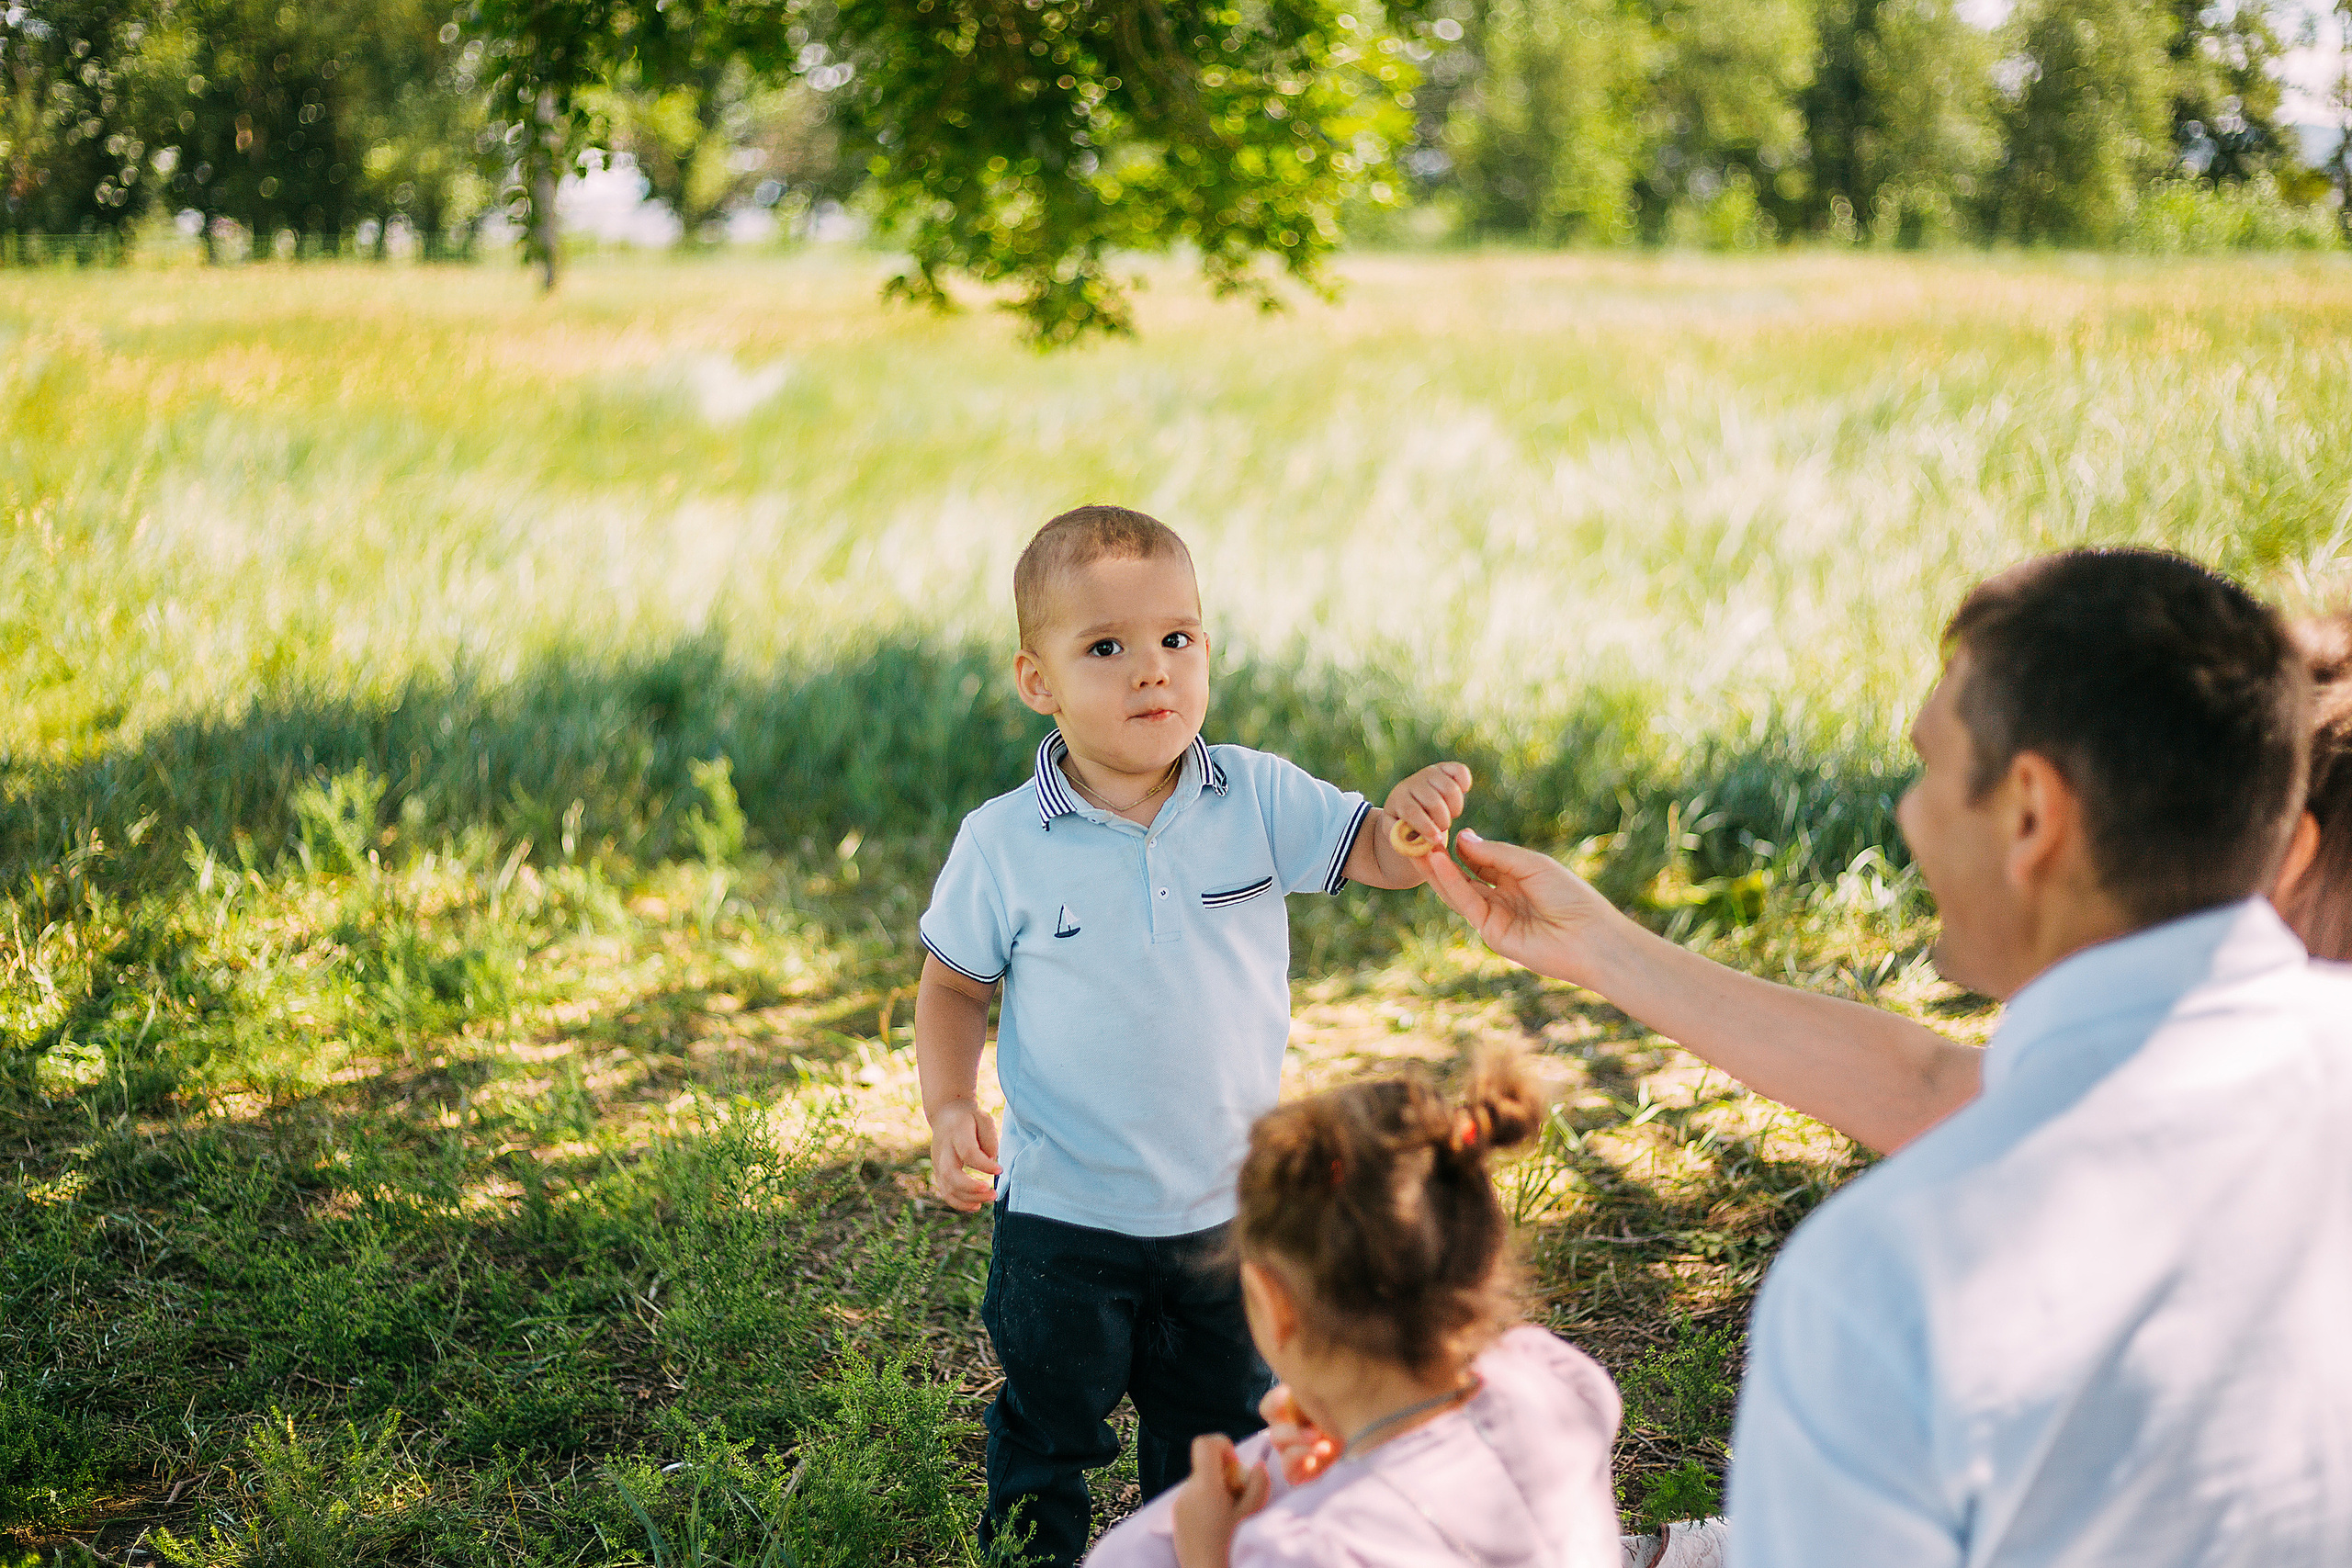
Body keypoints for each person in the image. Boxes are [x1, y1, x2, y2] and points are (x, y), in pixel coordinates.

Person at [1421, 550, 2352, 1564]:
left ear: (2031, 815)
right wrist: (1602, 946)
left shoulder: (1886, 1281)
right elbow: (1939, 1089)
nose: (1907, 812)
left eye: (1928, 768)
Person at [915, 504, 1474, 1568]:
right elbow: (951, 988)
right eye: (1105, 648)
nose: (1150, 671)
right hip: (1063, 1217)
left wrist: (1407, 823)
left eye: (1176, 638)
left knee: (1213, 1444)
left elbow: (1374, 852)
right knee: (1047, 1436)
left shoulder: (1254, 796)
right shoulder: (1003, 842)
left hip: (1227, 1214)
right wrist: (949, 1106)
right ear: (1037, 680)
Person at [1084, 1053, 1629, 1568]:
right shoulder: (1557, 1379)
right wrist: (1351, 1432)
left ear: (1275, 1305)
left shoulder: (1312, 1552)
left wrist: (1211, 1553)